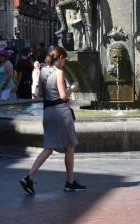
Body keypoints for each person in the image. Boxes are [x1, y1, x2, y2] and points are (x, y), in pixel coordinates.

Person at [20, 46, 86, 195]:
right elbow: (63, 96)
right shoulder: (59, 73)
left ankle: (29, 177)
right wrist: (73, 88)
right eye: (65, 60)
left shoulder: (43, 71)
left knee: (49, 147)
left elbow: (40, 93)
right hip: (61, 112)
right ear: (60, 58)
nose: (65, 63)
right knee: (70, 145)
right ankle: (69, 182)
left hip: (48, 111)